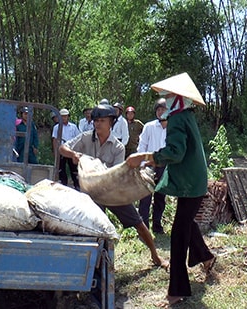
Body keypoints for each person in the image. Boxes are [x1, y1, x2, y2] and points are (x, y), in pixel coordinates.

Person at [126, 73, 216, 306]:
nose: (164, 100)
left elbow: (175, 152)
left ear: (177, 99)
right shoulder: (186, 115)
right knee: (185, 223)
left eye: (168, 96)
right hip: (193, 181)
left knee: (178, 234)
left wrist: (147, 157)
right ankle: (205, 257)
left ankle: (177, 289)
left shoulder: (177, 118)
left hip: (190, 182)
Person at [59, 104, 166, 268]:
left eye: (102, 120)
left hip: (112, 190)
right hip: (90, 192)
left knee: (138, 223)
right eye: (96, 120)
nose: (98, 124)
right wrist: (73, 154)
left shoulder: (118, 147)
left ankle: (155, 255)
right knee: (89, 226)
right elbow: (62, 148)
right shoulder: (85, 137)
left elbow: (115, 174)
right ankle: (91, 263)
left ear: (112, 123)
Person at [137, 99, 167, 234]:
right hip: (149, 165)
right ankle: (143, 227)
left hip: (164, 166)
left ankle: (157, 225)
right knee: (145, 196)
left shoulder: (172, 128)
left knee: (161, 197)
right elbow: (142, 145)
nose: (161, 112)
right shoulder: (149, 126)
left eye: (163, 110)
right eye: (158, 110)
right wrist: (142, 164)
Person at [52, 108, 81, 190]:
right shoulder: (56, 127)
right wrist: (55, 151)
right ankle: (63, 185)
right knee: (61, 168)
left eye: (65, 116)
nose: (64, 118)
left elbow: (78, 138)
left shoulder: (73, 127)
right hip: (61, 150)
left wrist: (77, 151)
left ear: (68, 117)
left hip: (71, 150)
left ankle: (77, 185)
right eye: (62, 116)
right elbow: (55, 139)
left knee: (74, 168)